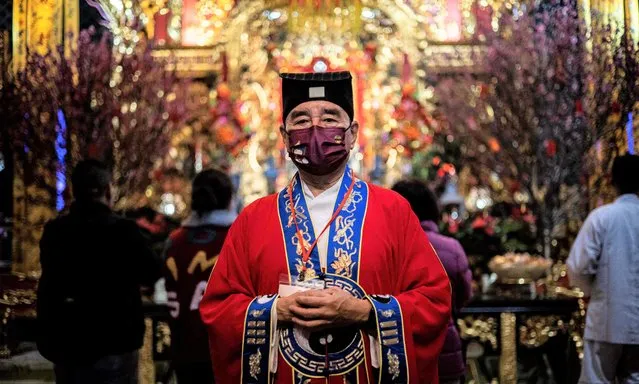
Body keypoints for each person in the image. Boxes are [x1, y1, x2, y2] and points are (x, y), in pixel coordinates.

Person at [200, 71, 451, 383]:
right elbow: (218, 308)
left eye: (330, 117)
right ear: (284, 135)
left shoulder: (392, 211)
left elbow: (434, 299)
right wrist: (278, 310)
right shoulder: (253, 219)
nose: (316, 129)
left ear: (352, 132)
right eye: (301, 120)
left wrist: (364, 311)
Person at [37, 159, 162, 384]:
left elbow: (49, 285)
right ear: (108, 191)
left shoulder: (56, 232)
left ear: (73, 191)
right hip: (116, 341)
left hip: (69, 341)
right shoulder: (124, 231)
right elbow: (152, 271)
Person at [567, 153, 639, 384]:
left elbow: (578, 267)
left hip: (607, 318)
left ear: (611, 181)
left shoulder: (602, 218)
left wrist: (593, 290)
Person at [392, 179, 473, 384]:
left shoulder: (390, 247)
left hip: (398, 347)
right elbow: (465, 294)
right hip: (445, 346)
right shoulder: (452, 248)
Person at [162, 168, 237, 384]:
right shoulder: (234, 237)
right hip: (224, 349)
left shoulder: (175, 240)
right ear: (230, 199)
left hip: (182, 346)